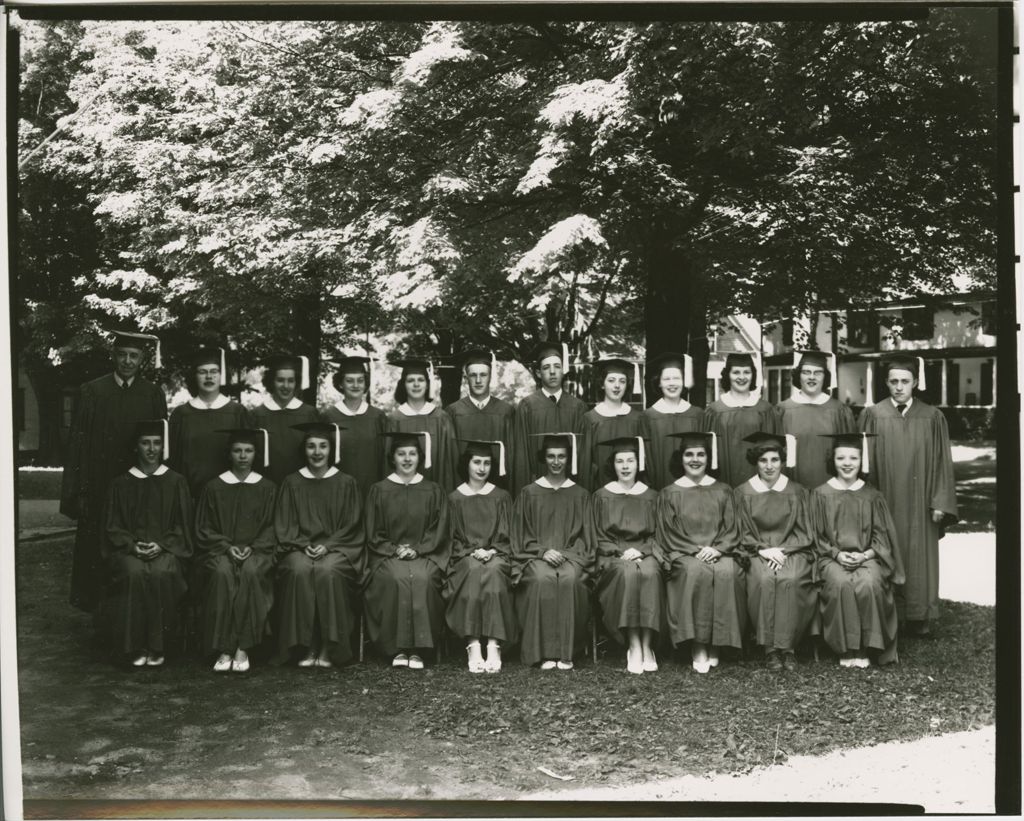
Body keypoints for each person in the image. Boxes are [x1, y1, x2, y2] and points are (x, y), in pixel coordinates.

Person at [62, 330, 168, 612]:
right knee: (98, 551)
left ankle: (131, 618)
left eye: (134, 356)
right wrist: (78, 491)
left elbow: (160, 444)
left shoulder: (153, 393)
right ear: (114, 356)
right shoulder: (92, 391)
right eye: (122, 354)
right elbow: (77, 445)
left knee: (132, 550)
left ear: (142, 360)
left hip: (139, 488)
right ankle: (101, 618)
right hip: (99, 485)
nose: (127, 361)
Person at [858, 355, 958, 636]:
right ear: (886, 383)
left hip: (921, 502)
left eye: (905, 381)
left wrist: (940, 501)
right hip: (884, 499)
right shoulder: (872, 415)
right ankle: (888, 614)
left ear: (915, 382)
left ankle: (919, 616)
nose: (899, 386)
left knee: (919, 556)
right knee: (885, 551)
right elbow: (861, 464)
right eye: (893, 381)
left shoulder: (933, 417)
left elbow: (942, 462)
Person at [98, 419, 192, 667]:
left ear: (163, 447)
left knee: (163, 572)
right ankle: (135, 646)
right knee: (133, 572)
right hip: (130, 552)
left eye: (157, 443)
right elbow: (112, 526)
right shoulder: (120, 483)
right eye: (145, 443)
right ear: (136, 447)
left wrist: (162, 545)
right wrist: (132, 546)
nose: (151, 449)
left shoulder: (176, 481)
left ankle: (158, 646)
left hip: (167, 550)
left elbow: (183, 525)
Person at [273, 422, 365, 668]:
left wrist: (329, 545)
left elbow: (352, 524)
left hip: (336, 550)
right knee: (298, 570)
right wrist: (303, 544)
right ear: (304, 450)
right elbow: (285, 524)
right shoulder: (292, 483)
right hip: (298, 548)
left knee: (328, 571)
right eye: (311, 446)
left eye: (323, 446)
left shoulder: (346, 483)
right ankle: (305, 645)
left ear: (331, 450)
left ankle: (328, 646)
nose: (317, 452)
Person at [812, 433, 904, 667]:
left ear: (861, 461)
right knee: (841, 583)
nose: (847, 463)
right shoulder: (821, 494)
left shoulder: (872, 495)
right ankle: (846, 649)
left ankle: (864, 648)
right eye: (841, 457)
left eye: (853, 458)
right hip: (831, 558)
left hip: (868, 557)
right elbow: (817, 535)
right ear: (832, 460)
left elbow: (881, 537)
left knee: (869, 583)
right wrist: (837, 554)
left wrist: (865, 555)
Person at [655, 431, 744, 673]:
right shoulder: (670, 493)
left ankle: (717, 643)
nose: (695, 459)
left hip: (719, 552)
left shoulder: (724, 491)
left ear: (708, 458)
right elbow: (668, 533)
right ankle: (698, 645)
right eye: (689, 454)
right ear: (681, 458)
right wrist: (696, 550)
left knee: (727, 572)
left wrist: (717, 549)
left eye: (701, 454)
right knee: (696, 572)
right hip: (686, 555)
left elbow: (732, 527)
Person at [364, 431, 450, 670]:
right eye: (401, 453)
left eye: (412, 453)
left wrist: (418, 549)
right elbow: (373, 532)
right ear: (392, 458)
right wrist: (394, 549)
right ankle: (398, 649)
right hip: (387, 556)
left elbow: (439, 529)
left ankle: (419, 650)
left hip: (426, 554)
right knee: (396, 578)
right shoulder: (379, 490)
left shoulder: (433, 490)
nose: (407, 459)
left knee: (422, 577)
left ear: (419, 457)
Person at [195, 428, 277, 673]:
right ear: (229, 454)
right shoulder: (213, 487)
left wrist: (254, 548)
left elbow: (274, 526)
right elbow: (204, 528)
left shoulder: (267, 488)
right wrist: (226, 547)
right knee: (222, 574)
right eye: (237, 450)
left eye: (248, 451)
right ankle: (224, 647)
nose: (243, 455)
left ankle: (243, 646)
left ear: (256, 454)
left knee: (251, 573)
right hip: (220, 552)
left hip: (258, 552)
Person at [734, 432, 816, 671]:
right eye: (763, 460)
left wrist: (784, 550)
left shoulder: (797, 492)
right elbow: (740, 531)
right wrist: (763, 550)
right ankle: (770, 649)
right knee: (765, 579)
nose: (769, 466)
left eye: (774, 459)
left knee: (790, 578)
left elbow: (805, 531)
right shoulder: (742, 493)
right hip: (756, 552)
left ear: (782, 461)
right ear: (755, 462)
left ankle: (788, 648)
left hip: (792, 550)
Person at [512, 432, 593, 670]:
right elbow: (520, 537)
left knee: (570, 579)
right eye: (551, 456)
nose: (556, 462)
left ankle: (567, 652)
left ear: (569, 459)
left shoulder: (580, 495)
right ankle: (544, 653)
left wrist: (566, 555)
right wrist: (542, 552)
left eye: (561, 456)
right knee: (541, 578)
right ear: (543, 458)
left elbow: (586, 539)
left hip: (572, 557)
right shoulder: (529, 493)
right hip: (536, 557)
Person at [591, 436, 663, 674]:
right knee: (628, 574)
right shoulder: (602, 496)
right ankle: (633, 644)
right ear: (613, 465)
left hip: (647, 552)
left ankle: (647, 643)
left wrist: (641, 550)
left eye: (630, 460)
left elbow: (660, 534)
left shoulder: (651, 496)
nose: (624, 466)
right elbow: (597, 535)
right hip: (613, 555)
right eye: (620, 461)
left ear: (638, 464)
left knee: (651, 572)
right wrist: (620, 551)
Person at [446, 439, 516, 673]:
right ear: (467, 464)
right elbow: (451, 538)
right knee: (474, 569)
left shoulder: (502, 497)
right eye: (477, 462)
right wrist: (471, 551)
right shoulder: (454, 499)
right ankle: (474, 643)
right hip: (465, 557)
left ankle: (494, 643)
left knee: (495, 571)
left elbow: (508, 535)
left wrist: (493, 550)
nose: (481, 468)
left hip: (496, 554)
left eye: (486, 463)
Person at [168, 348, 249, 499]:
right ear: (195, 376)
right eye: (202, 372)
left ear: (221, 375)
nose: (209, 376)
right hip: (190, 496)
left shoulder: (237, 412)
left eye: (214, 371)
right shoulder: (181, 414)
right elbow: (174, 460)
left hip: (229, 496)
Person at [510, 342, 589, 495]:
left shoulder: (579, 408)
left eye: (557, 366)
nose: (552, 372)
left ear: (563, 370)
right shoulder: (527, 407)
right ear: (538, 373)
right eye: (546, 368)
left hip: (571, 489)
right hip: (535, 490)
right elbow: (521, 456)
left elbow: (583, 456)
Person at [777, 351, 856, 490]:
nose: (811, 377)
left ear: (825, 377)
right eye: (806, 372)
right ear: (798, 375)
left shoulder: (839, 411)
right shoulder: (782, 411)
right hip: (791, 491)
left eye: (817, 373)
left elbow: (850, 454)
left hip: (831, 491)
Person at [703, 352, 781, 487]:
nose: (742, 377)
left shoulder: (766, 410)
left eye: (747, 372)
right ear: (728, 375)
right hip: (722, 484)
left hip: (758, 487)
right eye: (736, 372)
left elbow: (776, 451)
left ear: (753, 375)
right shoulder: (714, 411)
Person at [443, 349, 514, 486]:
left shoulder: (506, 412)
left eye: (483, 375)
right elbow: (449, 458)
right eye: (473, 375)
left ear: (490, 377)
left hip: (498, 489)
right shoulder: (453, 412)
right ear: (466, 378)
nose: (478, 380)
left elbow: (512, 457)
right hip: (462, 489)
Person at [387, 358, 459, 493]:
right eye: (410, 380)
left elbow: (451, 463)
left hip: (437, 492)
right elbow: (388, 464)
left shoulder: (441, 418)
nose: (416, 385)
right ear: (403, 385)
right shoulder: (394, 419)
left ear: (427, 384)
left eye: (420, 380)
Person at [322, 355, 387, 498]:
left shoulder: (378, 417)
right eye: (349, 381)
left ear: (366, 384)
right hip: (337, 492)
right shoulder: (329, 417)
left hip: (372, 491)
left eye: (360, 380)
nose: (355, 385)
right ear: (340, 384)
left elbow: (385, 458)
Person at [248, 354, 319, 484]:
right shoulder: (256, 416)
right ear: (271, 382)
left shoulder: (309, 414)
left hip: (301, 488)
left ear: (296, 382)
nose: (286, 386)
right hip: (265, 489)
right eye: (280, 380)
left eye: (291, 381)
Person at [639, 352, 703, 490]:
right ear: (659, 383)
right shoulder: (647, 417)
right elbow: (644, 460)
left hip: (692, 491)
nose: (672, 383)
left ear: (684, 382)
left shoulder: (697, 414)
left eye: (677, 378)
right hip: (658, 488)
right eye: (666, 379)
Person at [583, 358, 642, 490]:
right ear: (602, 384)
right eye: (611, 380)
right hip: (599, 491)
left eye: (622, 381)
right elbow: (586, 463)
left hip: (631, 492)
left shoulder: (637, 419)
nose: (617, 386)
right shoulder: (589, 419)